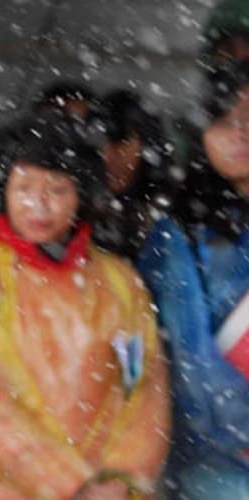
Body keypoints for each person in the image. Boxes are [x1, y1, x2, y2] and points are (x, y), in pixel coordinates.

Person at [0, 113, 170, 499]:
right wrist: (73, 484)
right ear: (4, 191)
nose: (39, 204)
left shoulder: (120, 281)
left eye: (57, 189)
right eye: (25, 188)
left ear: (81, 195)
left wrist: (121, 476)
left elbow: (146, 385)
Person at [138, 61, 249, 499]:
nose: (239, 132)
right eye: (224, 120)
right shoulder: (177, 235)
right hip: (214, 472)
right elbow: (188, 365)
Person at [88, 89, 175, 259]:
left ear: (148, 146)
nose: (107, 156)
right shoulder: (76, 211)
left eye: (121, 145)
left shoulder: (173, 215)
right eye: (100, 146)